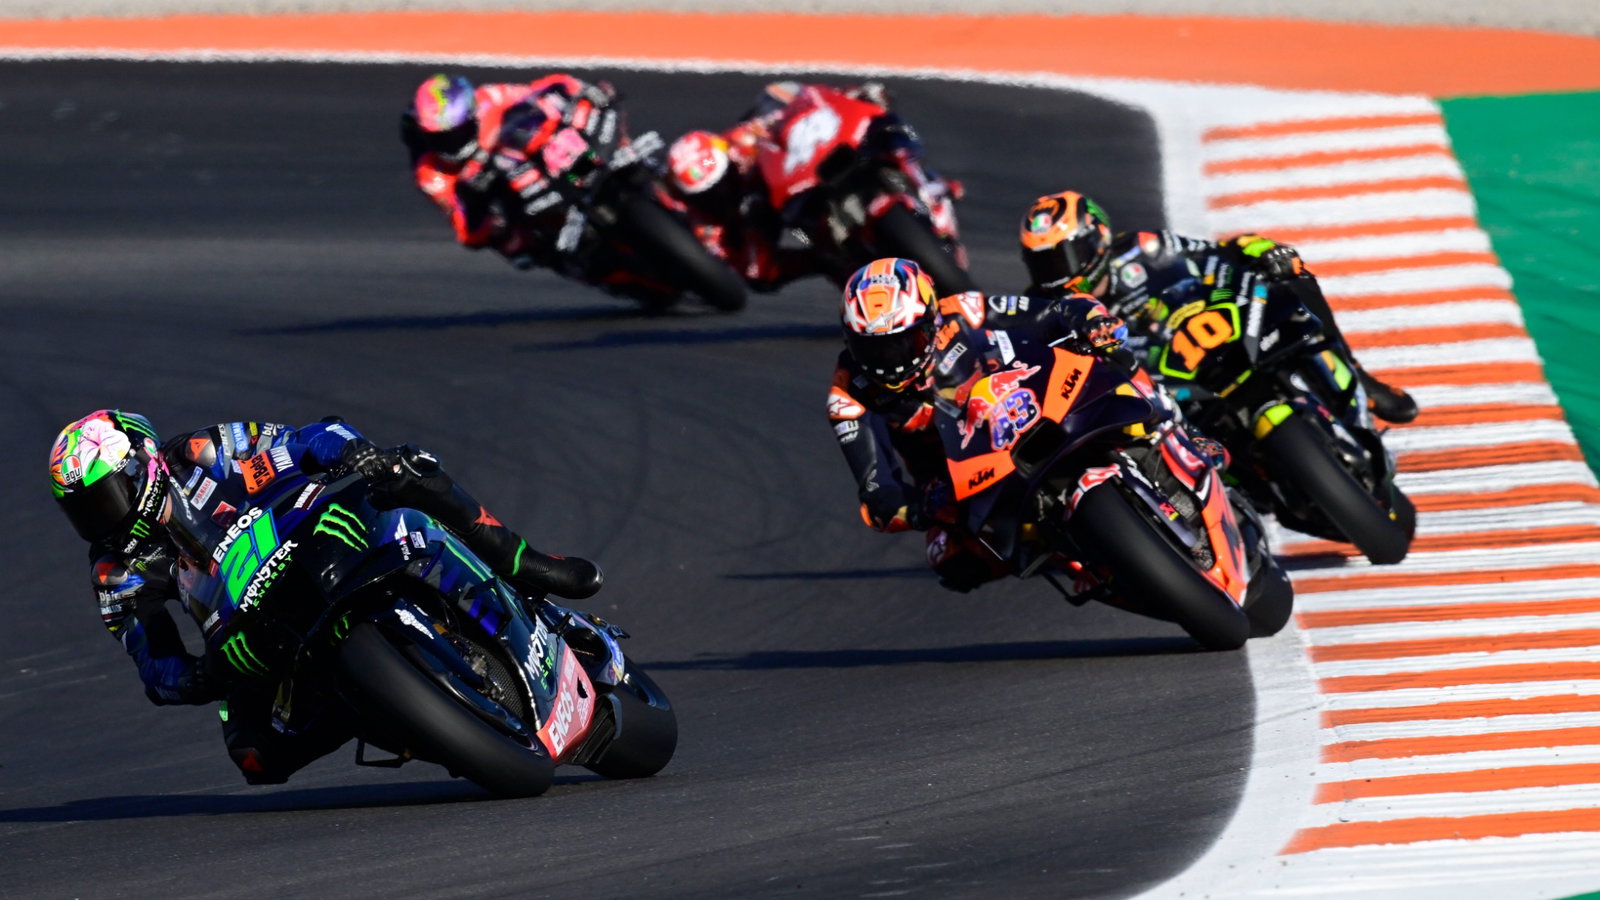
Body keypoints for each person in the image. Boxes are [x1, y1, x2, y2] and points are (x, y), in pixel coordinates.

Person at [48, 410, 602, 785]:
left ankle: (524, 561)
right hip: (253, 631)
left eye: (105, 497)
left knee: (405, 470)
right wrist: (199, 679)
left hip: (321, 537)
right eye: (84, 511)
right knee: (254, 756)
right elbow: (154, 662)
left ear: (142, 463)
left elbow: (307, 439)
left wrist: (357, 453)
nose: (100, 519)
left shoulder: (200, 453)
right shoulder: (114, 568)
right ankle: (378, 707)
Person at [827, 257, 1125, 591]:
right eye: (872, 349)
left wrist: (1092, 322)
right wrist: (919, 508)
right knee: (950, 560)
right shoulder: (848, 396)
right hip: (958, 479)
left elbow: (1051, 312)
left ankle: (1169, 431)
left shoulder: (961, 310)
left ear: (930, 320)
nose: (891, 361)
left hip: (1027, 406)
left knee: (1116, 371)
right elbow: (878, 495)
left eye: (904, 342)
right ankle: (1065, 554)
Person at [1017, 190, 1418, 423]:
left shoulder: (1145, 246)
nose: (1057, 273)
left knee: (1290, 279)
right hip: (1162, 389)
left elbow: (1216, 253)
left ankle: (1359, 377)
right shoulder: (1045, 308)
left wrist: (1258, 251)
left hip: (1217, 329)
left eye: (1064, 257)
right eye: (1044, 263)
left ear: (1095, 238)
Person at [664, 80, 960, 291]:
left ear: (725, 157)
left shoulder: (743, 138)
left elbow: (796, 100)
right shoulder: (704, 218)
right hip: (780, 209)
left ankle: (922, 183)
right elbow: (739, 262)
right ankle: (837, 263)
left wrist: (851, 96)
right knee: (760, 271)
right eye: (708, 195)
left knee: (879, 123)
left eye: (722, 183)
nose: (720, 194)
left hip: (807, 171)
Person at [401, 72, 671, 302]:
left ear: (472, 114)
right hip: (521, 205)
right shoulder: (431, 173)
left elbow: (540, 91)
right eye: (441, 138)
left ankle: (645, 176)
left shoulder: (490, 99)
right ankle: (607, 271)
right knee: (520, 248)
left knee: (575, 118)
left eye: (457, 132)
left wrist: (580, 92)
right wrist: (476, 200)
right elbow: (467, 231)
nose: (451, 142)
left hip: (549, 161)